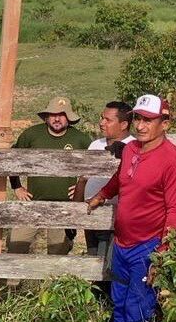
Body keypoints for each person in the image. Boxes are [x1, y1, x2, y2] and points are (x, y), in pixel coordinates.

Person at [88, 95, 176, 322]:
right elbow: (120, 178)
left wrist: (161, 256)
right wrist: (102, 194)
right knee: (118, 302)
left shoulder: (174, 163)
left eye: (148, 120)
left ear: (164, 124)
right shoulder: (131, 149)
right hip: (122, 243)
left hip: (147, 247)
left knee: (138, 309)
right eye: (138, 119)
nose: (140, 126)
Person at [7, 96, 91, 256]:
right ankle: (13, 281)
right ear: (46, 117)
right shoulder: (31, 135)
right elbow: (12, 158)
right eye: (53, 114)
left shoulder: (80, 139)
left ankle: (53, 281)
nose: (57, 118)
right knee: (16, 244)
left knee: (58, 250)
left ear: (69, 118)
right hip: (33, 202)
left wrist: (83, 187)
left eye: (62, 114)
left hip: (64, 205)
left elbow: (96, 165)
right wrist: (16, 186)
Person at [72, 101, 135, 256]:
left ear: (123, 124)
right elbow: (83, 178)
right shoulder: (95, 144)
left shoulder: (133, 146)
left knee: (105, 264)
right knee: (93, 258)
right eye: (102, 118)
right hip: (90, 213)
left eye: (108, 120)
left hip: (112, 216)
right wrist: (75, 209)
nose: (101, 123)